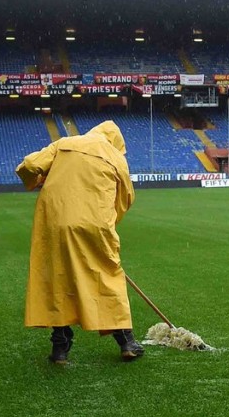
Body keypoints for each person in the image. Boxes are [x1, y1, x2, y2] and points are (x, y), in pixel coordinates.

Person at [15, 120, 143, 364]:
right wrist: (108, 224)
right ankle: (126, 342)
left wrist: (36, 180)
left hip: (54, 223)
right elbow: (125, 198)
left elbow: (30, 165)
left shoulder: (65, 143)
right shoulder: (116, 157)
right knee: (107, 277)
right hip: (95, 224)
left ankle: (60, 349)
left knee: (57, 277)